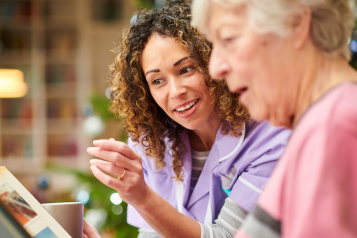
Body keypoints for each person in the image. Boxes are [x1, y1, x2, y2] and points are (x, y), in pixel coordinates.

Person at [84, 1, 290, 238]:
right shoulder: (150, 141)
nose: (175, 92)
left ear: (214, 61)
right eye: (157, 81)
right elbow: (151, 234)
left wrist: (143, 197)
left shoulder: (270, 137)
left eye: (186, 69)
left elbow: (227, 235)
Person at [191, 0, 357, 237]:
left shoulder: (333, 127)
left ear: (296, 24)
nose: (215, 68)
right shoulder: (321, 123)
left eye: (229, 39)